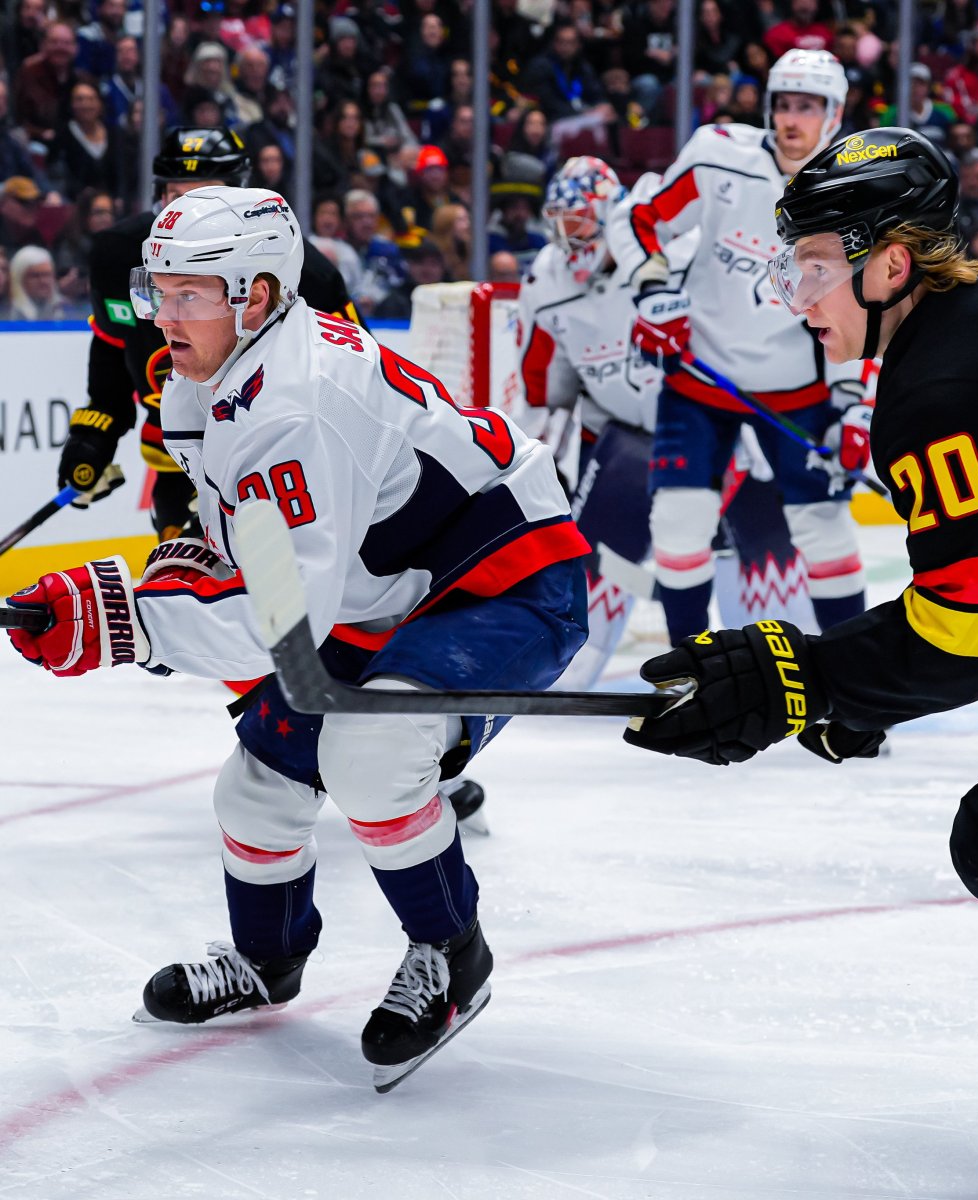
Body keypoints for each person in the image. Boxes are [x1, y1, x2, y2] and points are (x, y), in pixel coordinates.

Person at [625, 126, 978, 1160]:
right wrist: (842, 691)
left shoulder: (950, 383)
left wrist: (796, 680)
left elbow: (963, 641)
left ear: (891, 264)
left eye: (810, 264)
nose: (795, 296)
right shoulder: (973, 338)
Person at [5, 183, 589, 1092]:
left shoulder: (296, 405)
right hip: (383, 581)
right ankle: (266, 961)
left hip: (504, 576)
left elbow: (284, 623)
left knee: (372, 754)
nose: (164, 314)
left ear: (261, 296)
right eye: (160, 289)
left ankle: (451, 954)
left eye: (190, 293)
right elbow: (262, 559)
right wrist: (188, 575)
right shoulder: (212, 378)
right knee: (258, 787)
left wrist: (121, 617)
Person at [606, 49, 869, 645]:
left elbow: (871, 305)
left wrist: (857, 403)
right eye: (783, 103)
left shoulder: (854, 192)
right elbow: (637, 219)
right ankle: (687, 667)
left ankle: (855, 688)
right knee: (677, 524)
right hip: (701, 376)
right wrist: (651, 291)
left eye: (807, 106)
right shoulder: (717, 156)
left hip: (798, 388)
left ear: (834, 113)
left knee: (824, 527)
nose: (791, 119)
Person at [521, 157, 815, 686]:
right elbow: (544, 387)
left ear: (612, 215)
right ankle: (578, 655)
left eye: (581, 221)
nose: (570, 239)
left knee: (762, 558)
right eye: (560, 222)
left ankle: (786, 666)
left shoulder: (678, 253)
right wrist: (534, 462)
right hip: (622, 442)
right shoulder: (544, 282)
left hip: (717, 428)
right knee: (589, 580)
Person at [56, 126, 357, 543]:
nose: (189, 213)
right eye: (178, 198)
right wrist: (94, 434)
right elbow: (113, 347)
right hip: (179, 456)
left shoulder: (301, 271)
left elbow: (346, 393)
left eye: (207, 199)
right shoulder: (120, 254)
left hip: (276, 463)